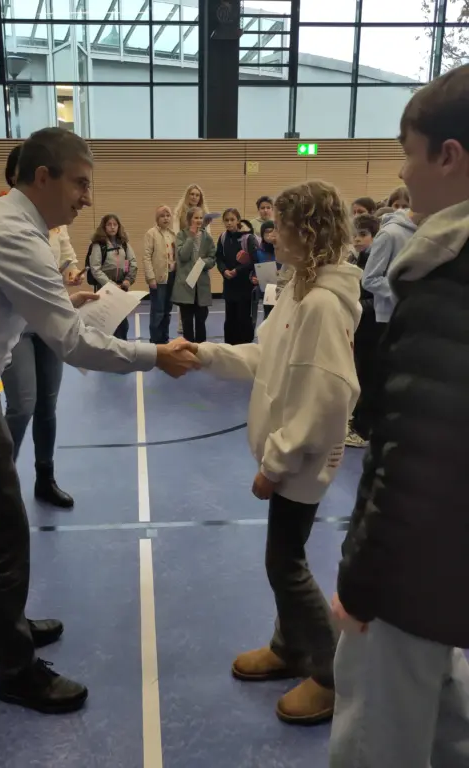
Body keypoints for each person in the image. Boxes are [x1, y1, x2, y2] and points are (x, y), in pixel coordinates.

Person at [0, 127, 199, 716]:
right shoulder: (14, 233)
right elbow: (72, 344)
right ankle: (16, 670)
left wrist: (71, 301)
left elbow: (23, 305)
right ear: (43, 177)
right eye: (80, 183)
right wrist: (154, 355)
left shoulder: (8, 222)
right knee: (3, 527)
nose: (88, 197)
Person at [330, 63, 469, 768]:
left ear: (449, 156)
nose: (403, 173)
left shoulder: (447, 276)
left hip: (415, 578)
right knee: (448, 726)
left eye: (408, 154)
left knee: (376, 741)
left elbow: (419, 459)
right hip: (449, 571)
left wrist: (362, 584)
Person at [193, 180, 361, 725]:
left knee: (285, 563)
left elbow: (326, 399)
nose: (272, 234)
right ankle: (288, 648)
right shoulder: (297, 290)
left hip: (302, 459)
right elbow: (263, 356)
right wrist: (204, 354)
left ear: (306, 232)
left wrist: (275, 464)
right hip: (293, 454)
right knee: (284, 555)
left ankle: (332, 676)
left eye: (282, 226)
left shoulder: (322, 305)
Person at [0, 144, 82, 509]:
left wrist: (71, 272)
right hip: (17, 325)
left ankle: (44, 478)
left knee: (47, 405)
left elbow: (67, 259)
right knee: (23, 404)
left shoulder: (55, 223)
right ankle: (1, 481)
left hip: (49, 321)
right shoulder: (3, 218)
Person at [345, 214, 379, 448]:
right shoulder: (357, 259)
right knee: (358, 375)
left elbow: (378, 299)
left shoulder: (376, 262)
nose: (357, 239)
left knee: (368, 377)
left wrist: (354, 305)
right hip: (360, 327)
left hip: (372, 328)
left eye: (363, 235)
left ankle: (363, 430)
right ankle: (357, 419)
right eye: (355, 235)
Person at [88, 213, 137, 340]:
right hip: (104, 287)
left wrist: (128, 280)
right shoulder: (99, 245)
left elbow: (131, 262)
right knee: (106, 321)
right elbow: (96, 268)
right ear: (104, 227)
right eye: (109, 224)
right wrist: (111, 285)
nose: (112, 227)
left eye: (115, 224)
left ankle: (122, 345)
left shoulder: (124, 244)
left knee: (122, 322)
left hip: (122, 286)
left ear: (119, 227)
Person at [172, 206, 216, 343]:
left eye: (201, 218)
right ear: (189, 220)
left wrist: (203, 262)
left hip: (201, 286)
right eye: (196, 218)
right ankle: (188, 347)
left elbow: (212, 258)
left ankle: (201, 348)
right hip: (186, 285)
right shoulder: (181, 235)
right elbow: (183, 256)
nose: (199, 220)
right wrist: (191, 237)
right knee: (187, 321)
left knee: (201, 320)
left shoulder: (207, 237)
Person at [216, 208, 256, 345]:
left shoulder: (248, 238)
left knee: (243, 318)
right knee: (230, 318)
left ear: (238, 220)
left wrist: (237, 271)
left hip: (245, 286)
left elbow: (254, 261)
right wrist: (224, 271)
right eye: (226, 220)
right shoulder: (223, 238)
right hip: (229, 285)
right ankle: (229, 346)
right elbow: (219, 258)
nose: (229, 223)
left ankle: (245, 346)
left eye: (232, 219)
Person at [144, 205, 176, 344]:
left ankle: (165, 339)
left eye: (168, 215)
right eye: (162, 216)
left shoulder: (173, 234)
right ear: (157, 219)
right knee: (158, 312)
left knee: (167, 311)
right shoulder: (151, 233)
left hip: (172, 277)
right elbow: (146, 257)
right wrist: (151, 278)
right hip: (158, 279)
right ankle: (155, 342)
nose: (165, 218)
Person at [250, 219, 280, 325]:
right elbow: (253, 270)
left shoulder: (282, 250)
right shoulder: (258, 252)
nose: (269, 235)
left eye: (272, 231)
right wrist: (253, 278)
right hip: (266, 291)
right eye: (266, 232)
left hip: (282, 290)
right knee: (268, 317)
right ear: (262, 235)